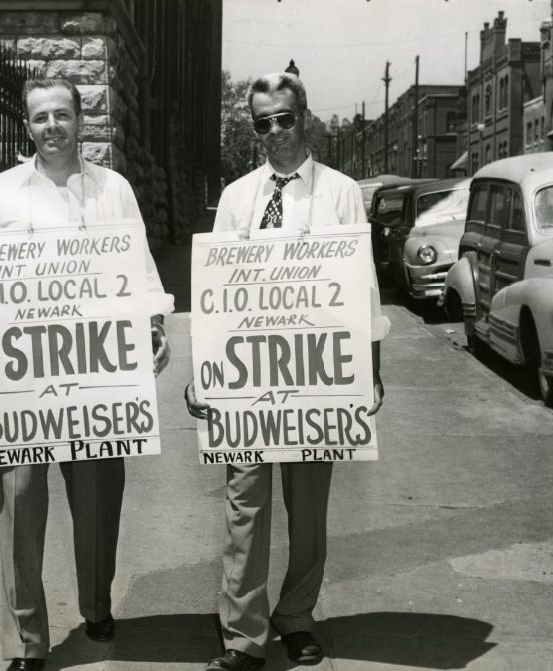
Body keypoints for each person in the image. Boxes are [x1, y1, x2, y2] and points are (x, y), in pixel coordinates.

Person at [0, 77, 174, 671]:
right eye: (41, 117)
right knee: (18, 502)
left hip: (94, 374)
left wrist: (154, 327)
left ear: (81, 121)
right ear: (27, 125)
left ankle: (96, 605)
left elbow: (141, 273)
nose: (53, 127)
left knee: (98, 497)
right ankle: (27, 642)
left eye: (62, 115)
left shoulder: (114, 190)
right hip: (21, 380)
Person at [185, 72, 391, 671]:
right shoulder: (236, 198)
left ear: (305, 118)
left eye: (284, 118)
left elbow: (363, 289)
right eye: (262, 122)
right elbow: (211, 296)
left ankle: (296, 617)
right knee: (244, 506)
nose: (274, 132)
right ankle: (243, 637)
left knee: (308, 508)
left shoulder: (342, 192)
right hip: (246, 379)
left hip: (316, 378)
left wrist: (369, 371)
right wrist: (204, 372)